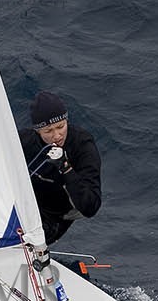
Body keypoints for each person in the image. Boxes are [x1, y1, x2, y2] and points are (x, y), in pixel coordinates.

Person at [18, 91, 101, 245]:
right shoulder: (25, 141)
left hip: (60, 212)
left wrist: (66, 168)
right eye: (48, 131)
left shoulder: (82, 145)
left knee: (27, 243)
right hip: (29, 202)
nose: (57, 136)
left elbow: (91, 206)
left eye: (61, 126)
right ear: (37, 130)